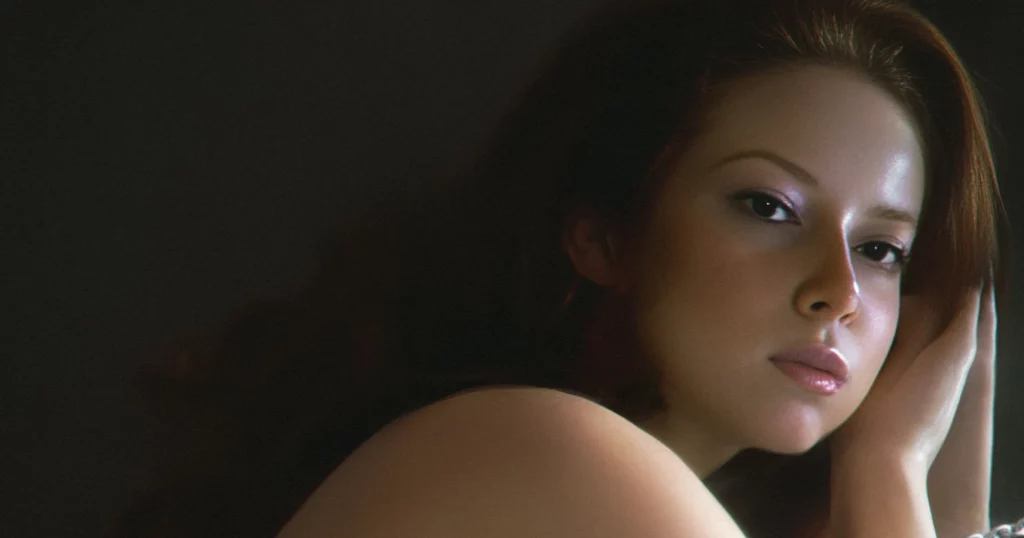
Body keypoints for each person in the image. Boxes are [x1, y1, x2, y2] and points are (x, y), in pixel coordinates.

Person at [117, 0, 1012, 536]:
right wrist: (888, 470)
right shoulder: (551, 448)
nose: (839, 292)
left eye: (882, 250)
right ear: (605, 237)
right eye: (768, 207)